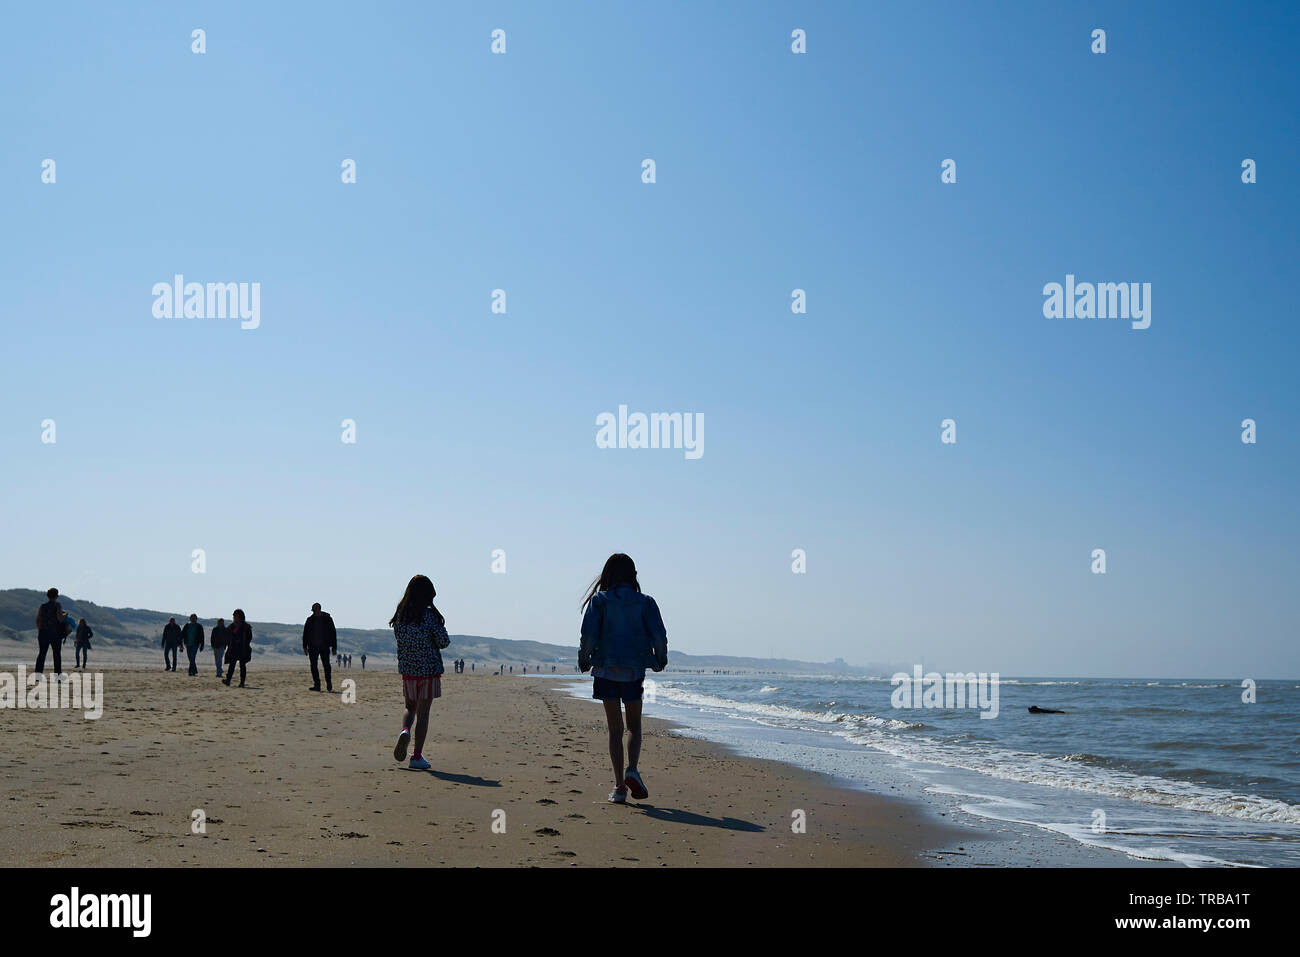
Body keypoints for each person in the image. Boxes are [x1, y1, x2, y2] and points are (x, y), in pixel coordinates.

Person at [578, 553, 668, 804]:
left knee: (614, 730)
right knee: (634, 727)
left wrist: (584, 659)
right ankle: (632, 770)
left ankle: (619, 788)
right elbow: (659, 636)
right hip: (633, 671)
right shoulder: (646, 602)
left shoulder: (600, 601)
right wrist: (660, 659)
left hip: (606, 670)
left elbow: (588, 635)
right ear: (634, 575)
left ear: (608, 575)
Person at [389, 574, 450, 771]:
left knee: (409, 707)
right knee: (424, 714)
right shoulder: (430, 616)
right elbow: (443, 642)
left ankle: (405, 730)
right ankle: (416, 756)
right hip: (429, 670)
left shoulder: (401, 615)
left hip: (408, 670)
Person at [302, 602, 337, 692]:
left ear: (318, 609)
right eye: (313, 610)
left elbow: (333, 633)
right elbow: (305, 634)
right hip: (313, 647)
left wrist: (334, 647)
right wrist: (305, 647)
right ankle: (317, 685)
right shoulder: (310, 620)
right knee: (313, 666)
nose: (313, 612)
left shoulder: (327, 619)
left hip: (324, 646)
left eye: (314, 610)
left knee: (326, 666)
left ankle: (328, 683)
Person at [35, 587, 68, 676]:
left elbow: (38, 620)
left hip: (43, 633)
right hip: (55, 633)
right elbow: (60, 619)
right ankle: (58, 676)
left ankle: (38, 675)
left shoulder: (43, 606)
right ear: (56, 596)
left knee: (42, 654)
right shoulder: (57, 605)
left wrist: (40, 630)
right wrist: (65, 614)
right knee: (56, 655)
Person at [223, 609, 253, 687]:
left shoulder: (246, 626)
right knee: (231, 665)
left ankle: (242, 682)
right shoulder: (231, 626)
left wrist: (244, 643)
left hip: (243, 649)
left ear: (240, 617)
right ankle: (228, 680)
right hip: (233, 649)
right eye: (234, 616)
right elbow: (227, 636)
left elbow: (249, 637)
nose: (235, 617)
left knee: (242, 666)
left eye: (236, 616)